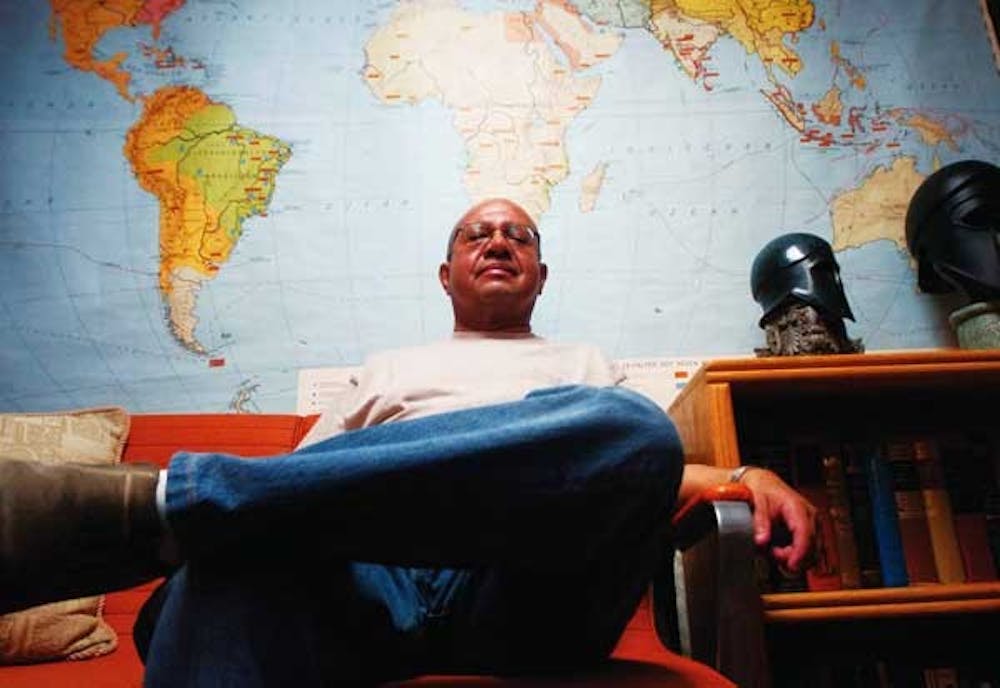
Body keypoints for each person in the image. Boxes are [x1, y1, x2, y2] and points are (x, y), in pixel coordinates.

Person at [0, 198, 815, 686]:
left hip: (523, 589)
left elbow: (634, 475)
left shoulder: (583, 366)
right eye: (476, 234)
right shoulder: (388, 369)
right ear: (446, 273)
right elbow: (299, 485)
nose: (498, 241)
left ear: (539, 273)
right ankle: (200, 512)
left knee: (632, 431)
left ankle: (169, 505)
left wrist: (743, 470)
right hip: (367, 580)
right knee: (241, 552)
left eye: (519, 236)